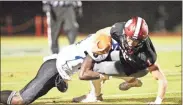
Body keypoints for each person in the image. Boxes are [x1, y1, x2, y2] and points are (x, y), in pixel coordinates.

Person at [0, 19, 120, 105]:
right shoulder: (97, 48)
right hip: (53, 69)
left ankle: (95, 95)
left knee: (22, 96)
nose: (105, 50)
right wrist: (123, 78)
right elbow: (84, 74)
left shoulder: (97, 39)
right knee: (19, 100)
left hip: (57, 70)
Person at [72, 16, 167, 105]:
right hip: (123, 56)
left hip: (138, 68)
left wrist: (157, 101)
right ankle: (131, 81)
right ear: (125, 32)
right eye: (129, 38)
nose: (131, 43)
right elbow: (103, 32)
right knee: (97, 58)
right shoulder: (119, 29)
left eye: (136, 41)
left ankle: (95, 96)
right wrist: (101, 42)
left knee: (94, 68)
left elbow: (161, 79)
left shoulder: (146, 54)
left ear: (142, 41)